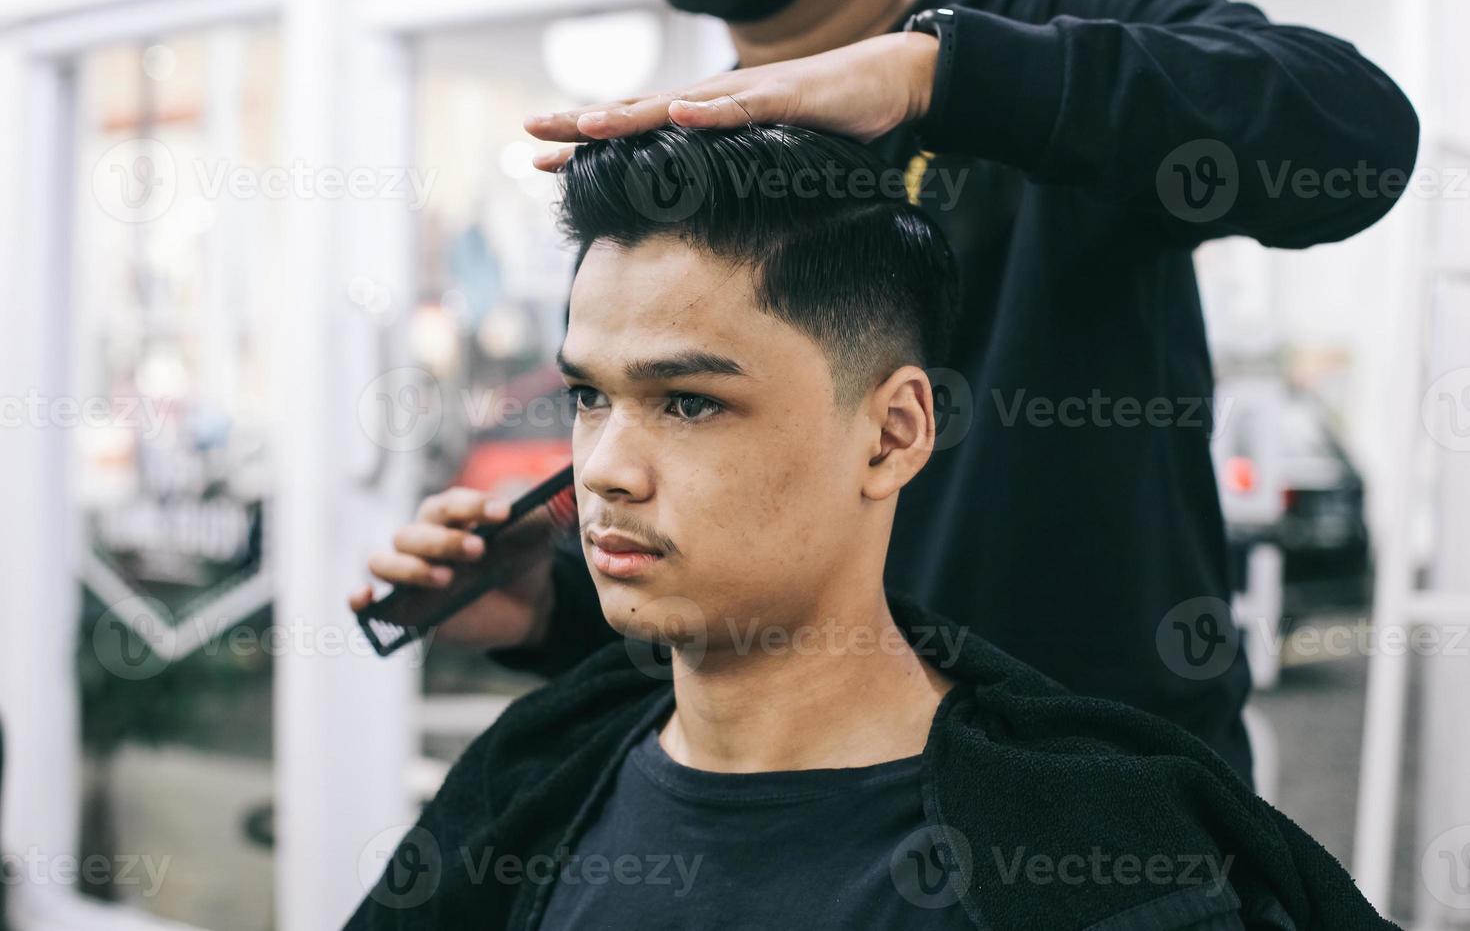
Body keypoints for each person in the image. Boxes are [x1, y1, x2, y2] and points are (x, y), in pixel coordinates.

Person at [349, 0, 1421, 785]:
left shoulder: (1051, 17)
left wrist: (946, 75)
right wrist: (559, 605)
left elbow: (1357, 137)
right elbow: (773, 538)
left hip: (1093, 793)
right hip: (821, 795)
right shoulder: (708, 154)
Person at [344, 125, 1396, 931]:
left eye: (690, 401)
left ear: (894, 434)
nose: (605, 467)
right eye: (589, 396)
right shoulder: (533, 784)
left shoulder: (1094, 866)